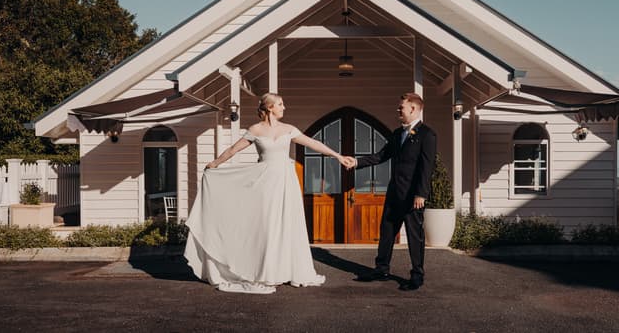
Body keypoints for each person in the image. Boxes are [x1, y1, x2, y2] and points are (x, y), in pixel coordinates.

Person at [184, 92, 355, 294]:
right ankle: (266, 271)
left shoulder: (289, 129)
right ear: (270, 108)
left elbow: (313, 144)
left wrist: (337, 156)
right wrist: (215, 163)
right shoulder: (255, 130)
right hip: (264, 183)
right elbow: (233, 150)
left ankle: (287, 270)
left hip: (285, 182)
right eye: (280, 104)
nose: (284, 107)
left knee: (287, 224)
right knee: (267, 225)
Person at [344, 92, 437, 291]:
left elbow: (426, 167)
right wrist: (357, 162)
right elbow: (381, 156)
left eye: (401, 107)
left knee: (414, 236)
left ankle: (417, 275)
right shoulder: (397, 134)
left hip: (413, 197)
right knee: (386, 232)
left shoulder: (427, 135)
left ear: (413, 109)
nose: (398, 110)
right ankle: (381, 269)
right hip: (394, 193)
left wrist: (421, 194)